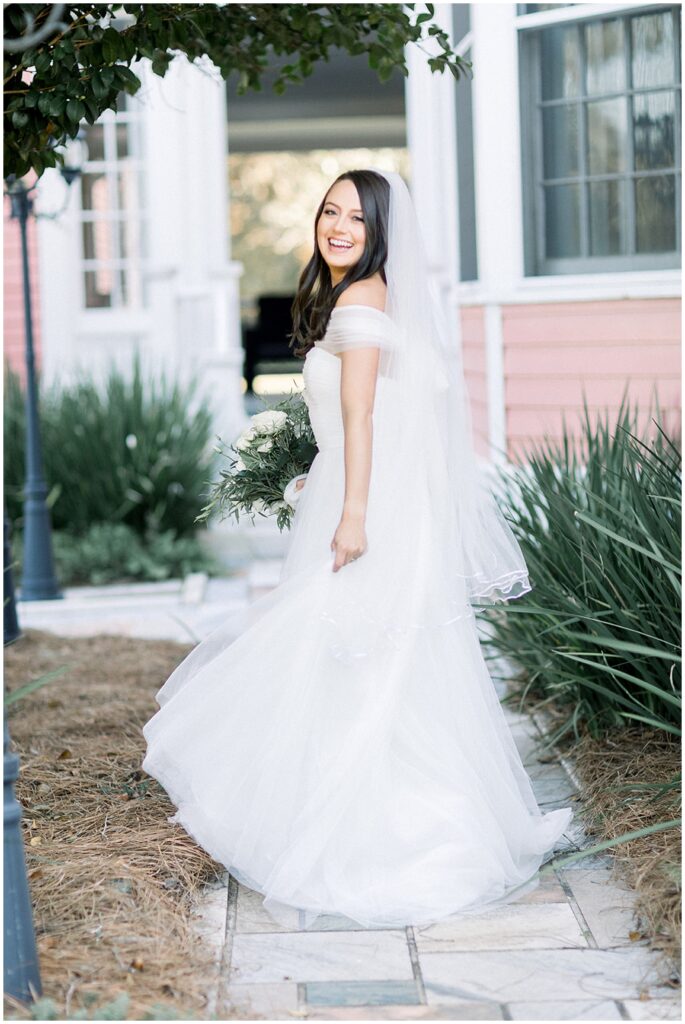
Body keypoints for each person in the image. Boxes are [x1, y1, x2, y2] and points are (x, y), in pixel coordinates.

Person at [141, 168, 573, 929]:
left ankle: (382, 838)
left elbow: (364, 415)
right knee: (367, 667)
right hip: (362, 500)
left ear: (381, 235)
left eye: (357, 219)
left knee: (344, 662)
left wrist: (353, 513)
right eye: (330, 211)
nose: (339, 227)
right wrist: (319, 476)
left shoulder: (363, 298)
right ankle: (379, 820)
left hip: (367, 517)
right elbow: (380, 417)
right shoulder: (370, 300)